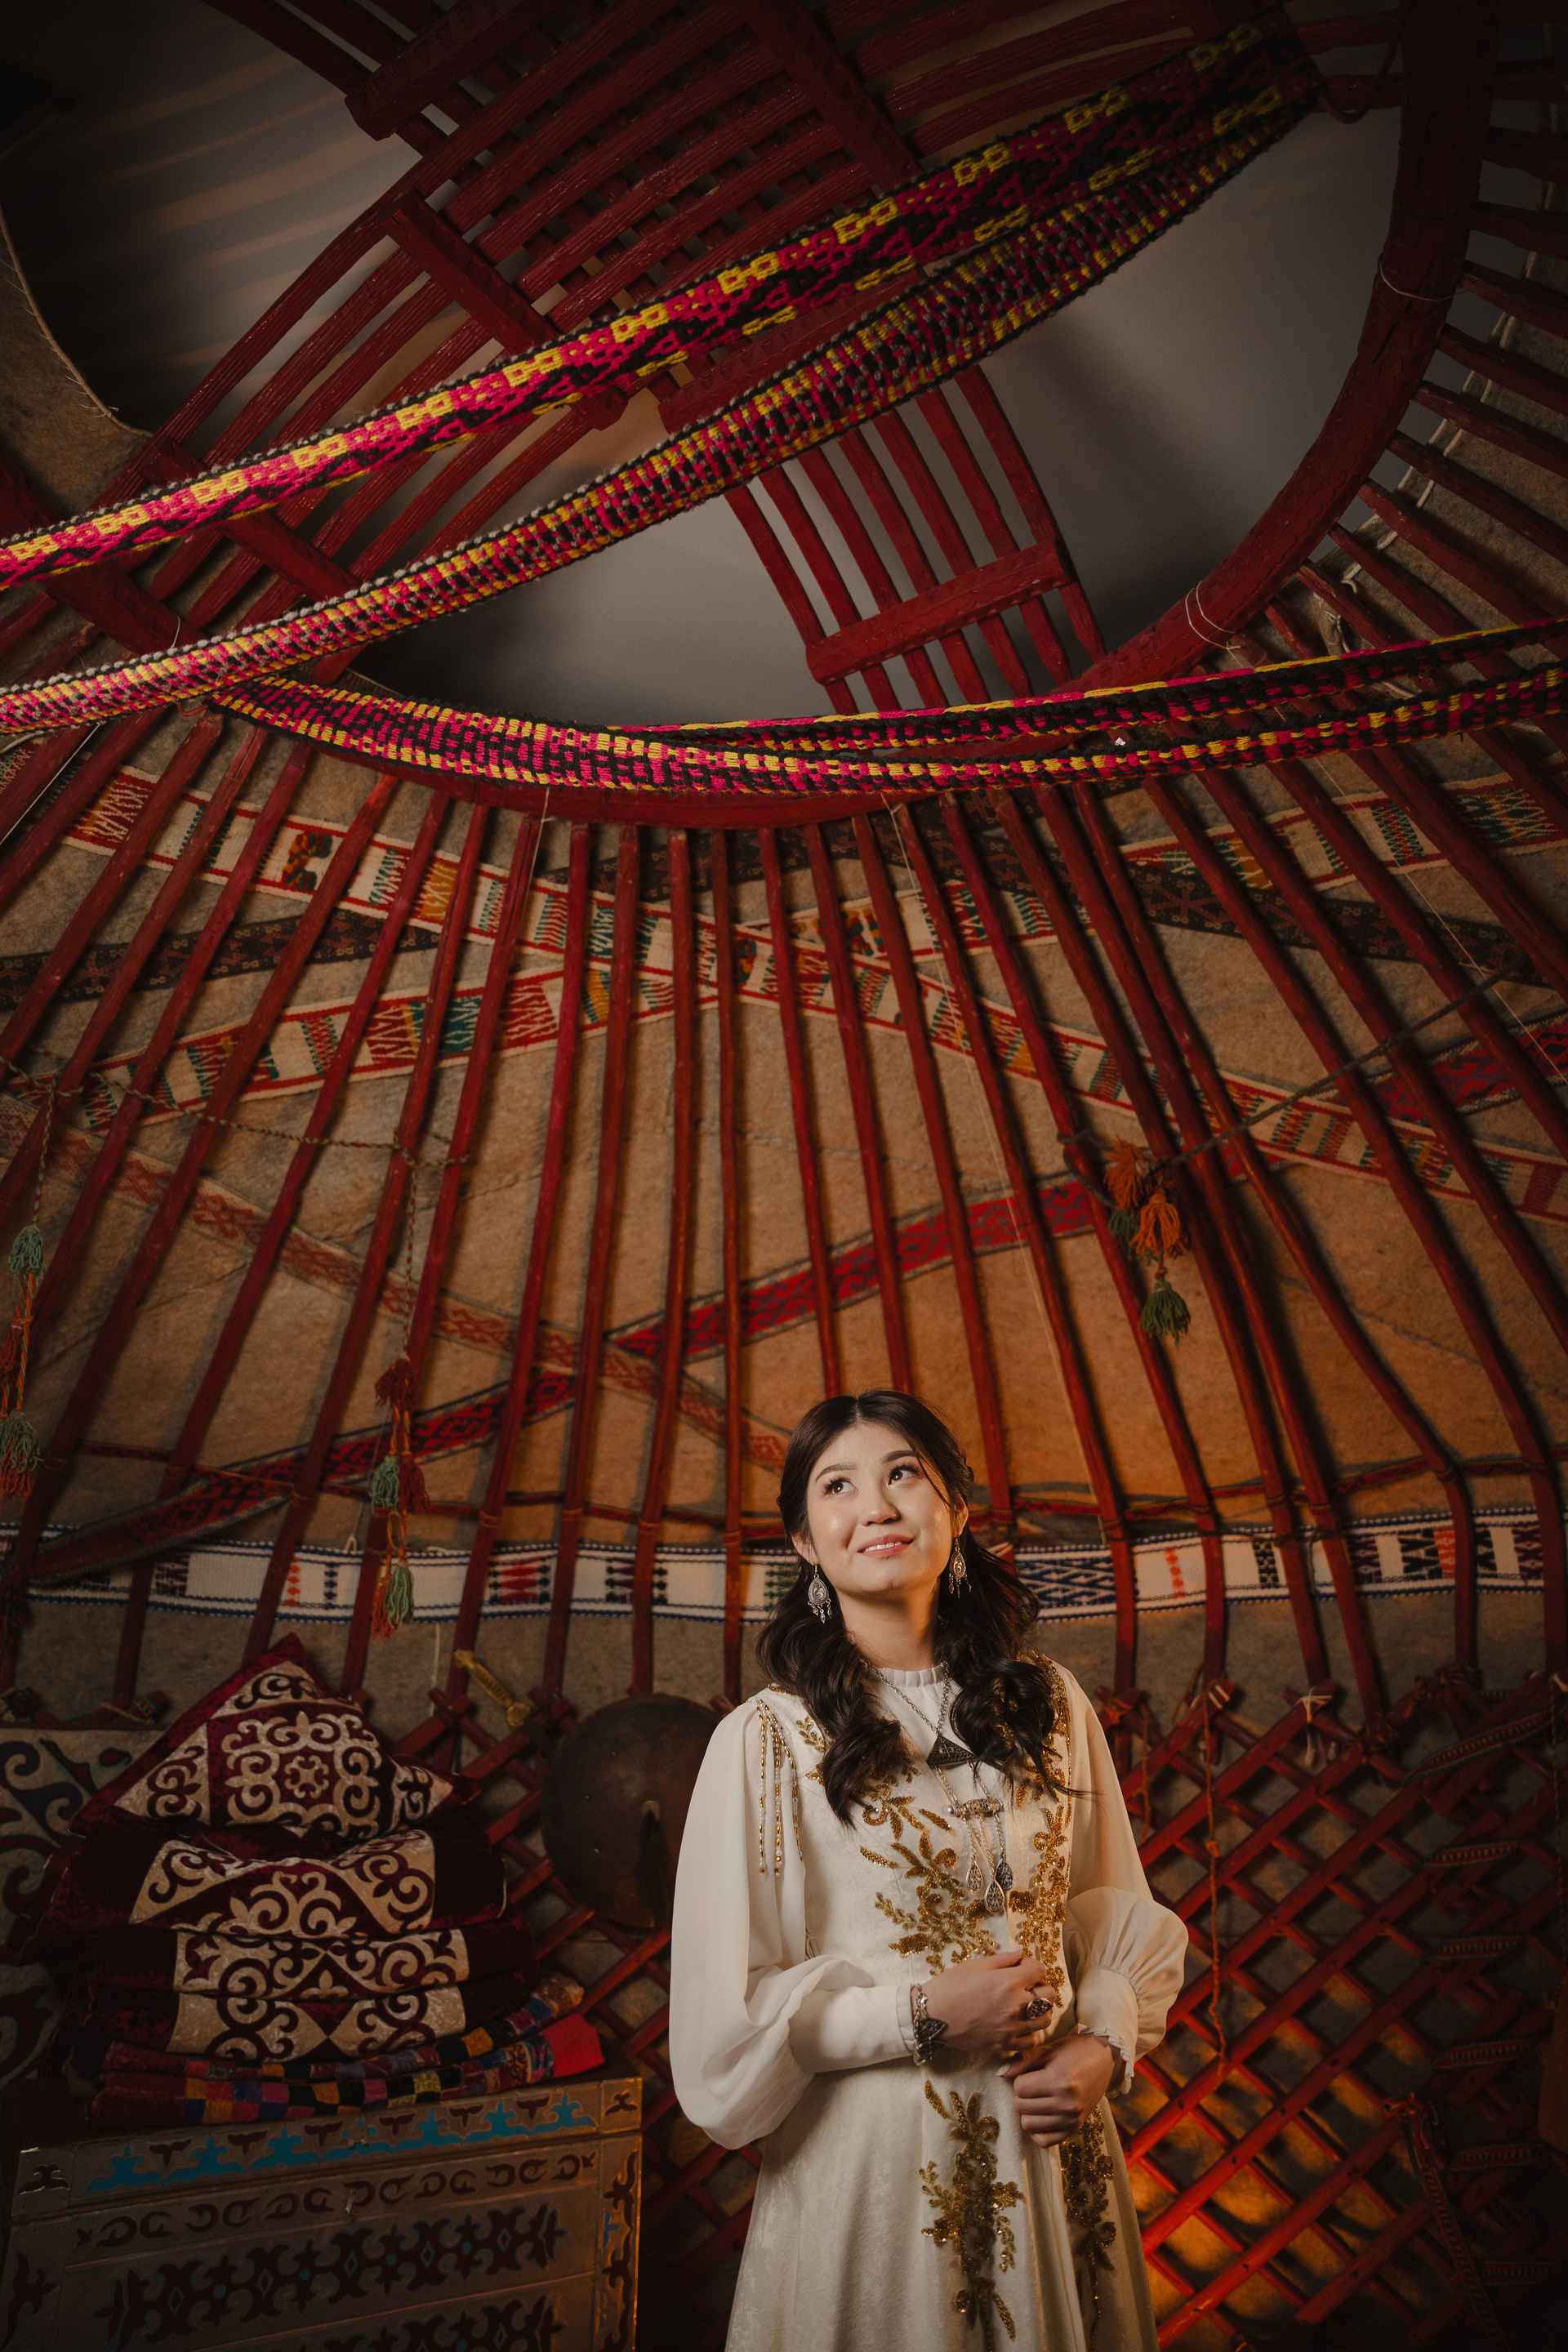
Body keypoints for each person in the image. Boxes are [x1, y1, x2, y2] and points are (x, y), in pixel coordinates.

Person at [670, 1390, 1187, 2352]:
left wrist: (1101, 2047)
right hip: (878, 2178)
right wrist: (919, 2015)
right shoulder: (766, 1742)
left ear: (955, 1509)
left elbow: (1112, 1910)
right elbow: (728, 2025)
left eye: (903, 1473)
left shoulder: (1048, 1702)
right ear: (804, 1542)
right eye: (838, 1486)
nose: (876, 1506)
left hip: (1051, 2152)